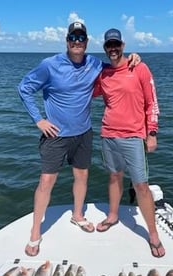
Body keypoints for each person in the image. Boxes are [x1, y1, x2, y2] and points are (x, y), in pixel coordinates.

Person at [18, 22, 140, 256]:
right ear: (66, 40)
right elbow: (24, 88)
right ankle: (35, 232)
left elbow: (116, 67)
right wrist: (38, 120)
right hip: (55, 135)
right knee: (46, 182)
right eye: (72, 37)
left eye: (81, 37)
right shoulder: (49, 65)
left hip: (84, 133)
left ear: (86, 41)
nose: (77, 41)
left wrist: (133, 57)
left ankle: (77, 216)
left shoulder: (94, 64)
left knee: (81, 176)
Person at [93, 28, 165, 258]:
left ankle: (152, 234)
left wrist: (151, 132)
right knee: (114, 176)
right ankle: (113, 215)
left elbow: (151, 102)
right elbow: (84, 88)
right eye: (108, 45)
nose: (112, 49)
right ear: (105, 48)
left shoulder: (139, 67)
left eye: (116, 44)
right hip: (108, 134)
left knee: (141, 185)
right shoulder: (102, 74)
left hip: (134, 136)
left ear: (122, 45)